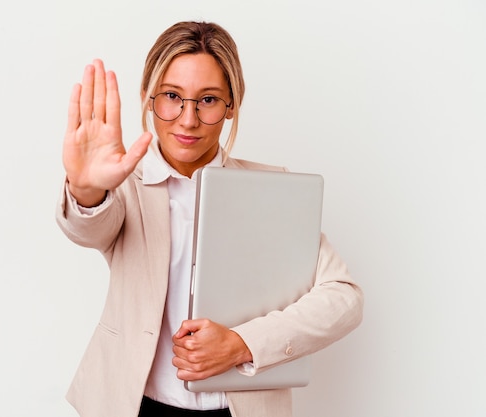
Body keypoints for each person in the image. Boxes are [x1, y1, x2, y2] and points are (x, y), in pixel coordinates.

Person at [56, 20, 363, 417]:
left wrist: (241, 343)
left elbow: (344, 297)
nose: (187, 120)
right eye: (171, 96)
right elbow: (90, 226)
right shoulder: (124, 188)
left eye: (208, 100)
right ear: (149, 98)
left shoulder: (270, 190)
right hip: (137, 406)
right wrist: (86, 188)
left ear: (232, 104)